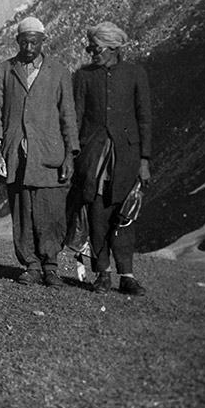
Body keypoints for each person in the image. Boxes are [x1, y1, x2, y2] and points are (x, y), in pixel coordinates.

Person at [0, 16, 79, 287]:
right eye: (24, 42)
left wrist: (70, 154)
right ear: (17, 41)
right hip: (17, 154)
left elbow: (68, 115)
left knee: (50, 212)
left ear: (43, 41)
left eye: (34, 42)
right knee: (22, 211)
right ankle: (31, 265)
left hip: (49, 153)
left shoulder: (59, 72)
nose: (28, 47)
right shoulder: (4, 70)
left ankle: (51, 266)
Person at [73, 22, 152, 295]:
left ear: (113, 49)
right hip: (93, 156)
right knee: (97, 214)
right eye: (90, 48)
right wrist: (75, 154)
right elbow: (76, 118)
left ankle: (127, 277)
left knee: (125, 215)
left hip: (127, 157)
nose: (91, 52)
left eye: (95, 48)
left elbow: (144, 119)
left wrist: (144, 160)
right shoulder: (83, 76)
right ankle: (102, 274)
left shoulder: (134, 74)